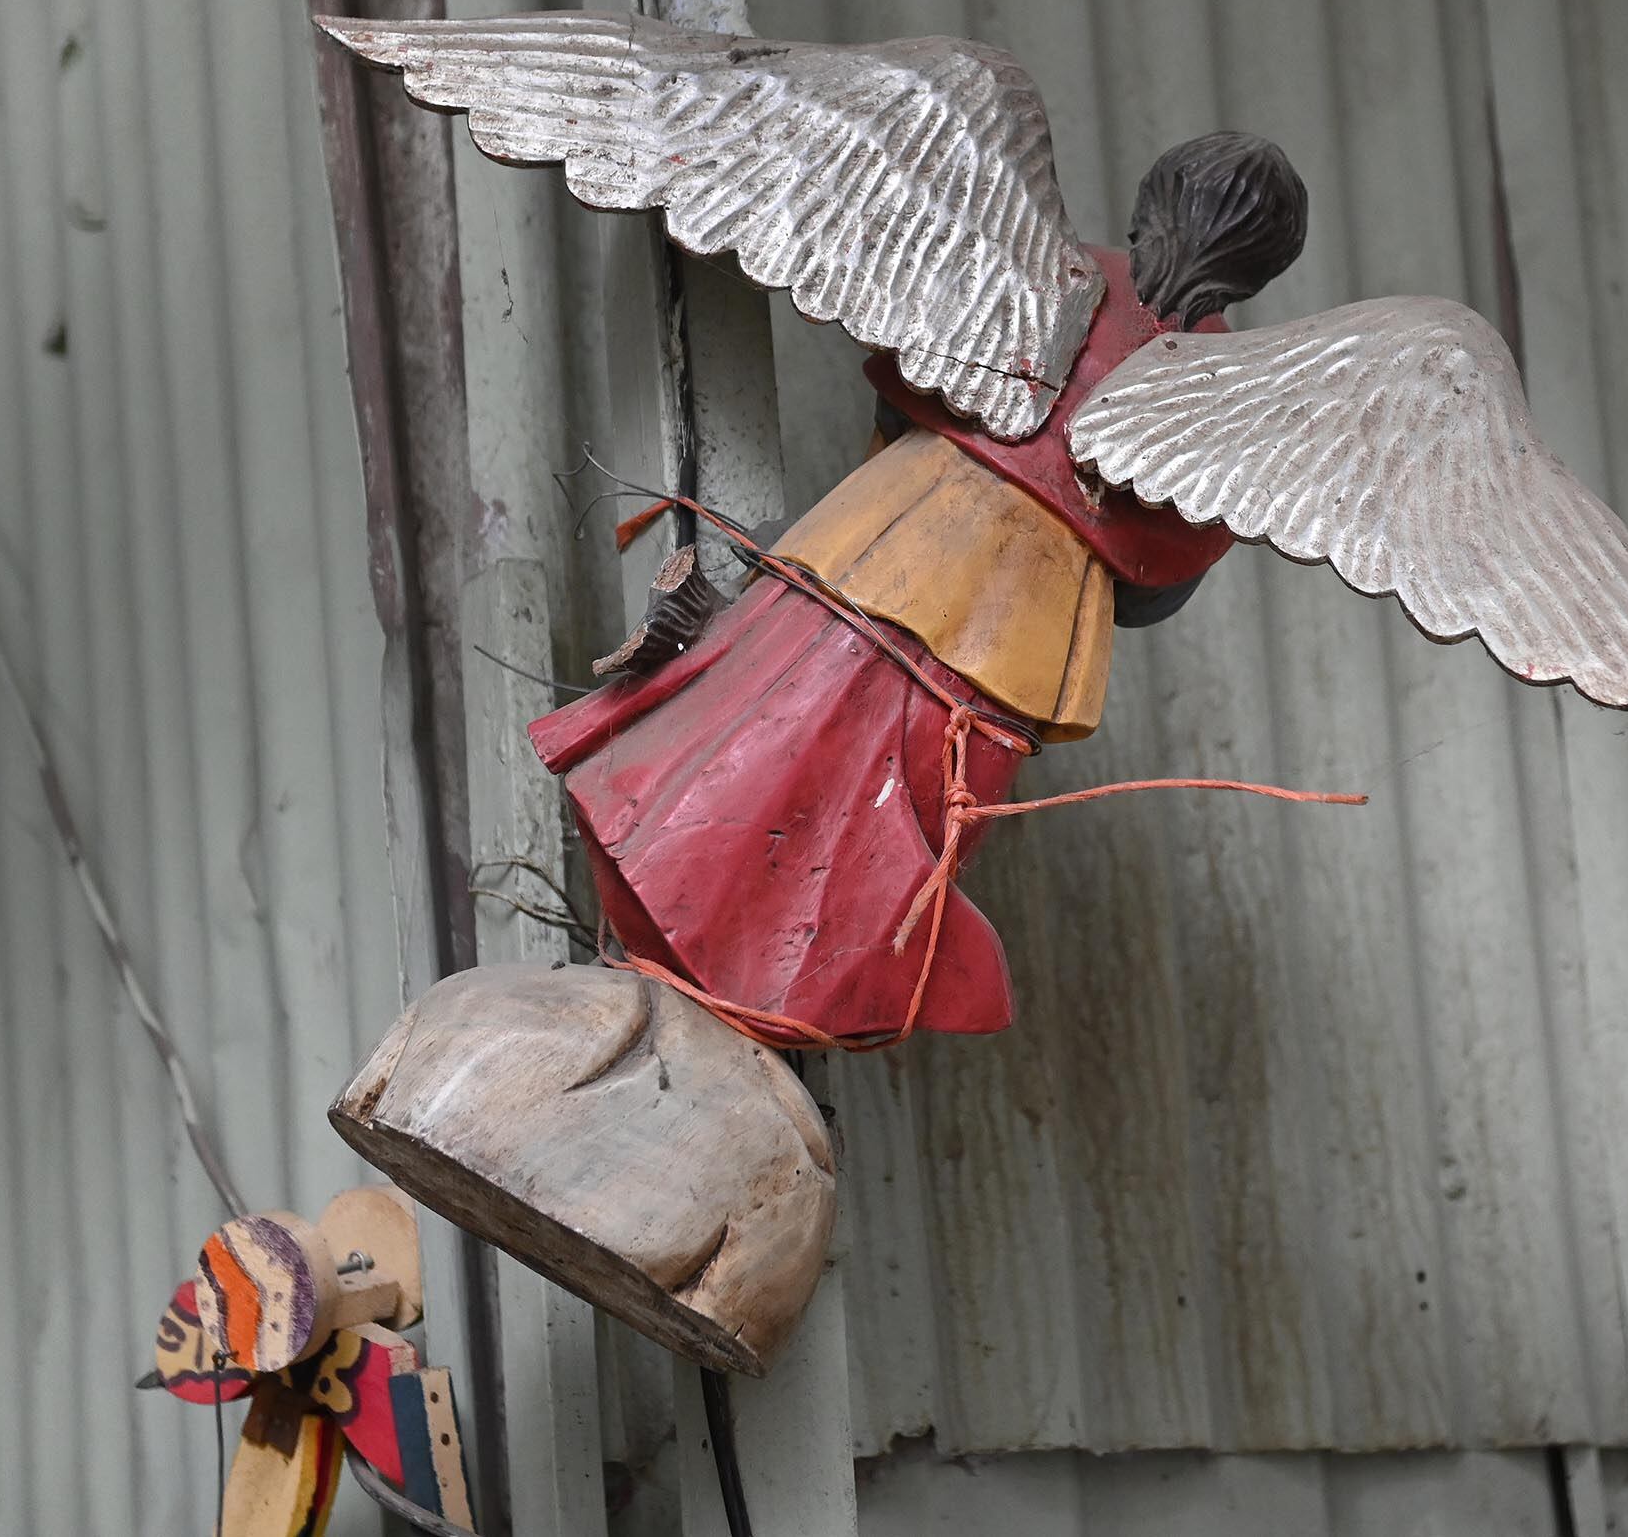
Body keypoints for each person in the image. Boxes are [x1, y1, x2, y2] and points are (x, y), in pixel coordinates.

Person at [528, 132, 1311, 1044]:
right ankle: (777, 999)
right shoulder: (1229, 393)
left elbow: (907, 384)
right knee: (887, 837)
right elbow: (1155, 584)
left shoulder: (1048, 275)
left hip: (884, 549)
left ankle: (673, 959)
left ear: (1149, 207)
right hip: (1017, 653)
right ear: (1256, 276)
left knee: (748, 752)